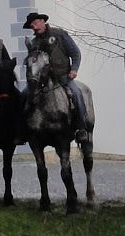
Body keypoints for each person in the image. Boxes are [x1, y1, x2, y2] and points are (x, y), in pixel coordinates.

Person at [23, 11, 88, 142]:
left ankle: (81, 128)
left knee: (76, 94)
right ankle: (23, 131)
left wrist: (74, 69)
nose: (35, 27)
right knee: (23, 95)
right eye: (32, 26)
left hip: (63, 77)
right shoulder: (34, 43)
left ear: (42, 21)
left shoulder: (59, 34)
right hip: (42, 82)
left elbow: (75, 54)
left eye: (36, 23)